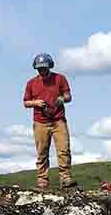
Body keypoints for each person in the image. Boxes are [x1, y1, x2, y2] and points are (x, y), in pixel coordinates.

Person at [23, 53, 77, 191]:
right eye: (40, 69)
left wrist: (62, 99)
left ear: (50, 66)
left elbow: (68, 95)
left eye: (44, 68)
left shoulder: (60, 79)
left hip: (58, 120)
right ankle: (42, 180)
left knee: (64, 150)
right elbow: (25, 102)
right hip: (40, 122)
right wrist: (35, 103)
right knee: (42, 152)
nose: (42, 71)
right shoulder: (31, 83)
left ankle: (65, 178)